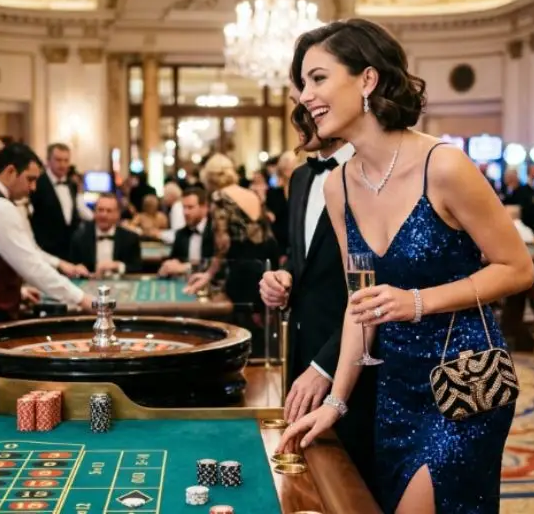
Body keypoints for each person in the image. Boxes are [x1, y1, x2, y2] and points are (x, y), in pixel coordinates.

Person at [276, 19, 534, 514]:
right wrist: (336, 400)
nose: (304, 96)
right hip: (394, 390)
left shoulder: (445, 165)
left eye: (318, 78)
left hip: (461, 383)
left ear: (367, 80)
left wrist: (417, 302)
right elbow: (361, 307)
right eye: (303, 83)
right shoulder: (338, 187)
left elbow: (517, 268)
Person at [260, 95, 376, 483]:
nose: (296, 124)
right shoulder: (301, 177)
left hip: (358, 351)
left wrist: (328, 363)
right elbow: (300, 258)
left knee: (354, 475)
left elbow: (372, 280)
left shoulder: (368, 175)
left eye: (303, 116)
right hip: (302, 348)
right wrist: (283, 279)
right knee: (309, 470)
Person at [0, 143, 94, 325]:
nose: (33, 187)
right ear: (10, 172)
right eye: (30, 179)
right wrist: (82, 299)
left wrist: (20, 292)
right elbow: (30, 264)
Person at [185, 154, 280, 357]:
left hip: (239, 271)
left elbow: (222, 244)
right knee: (257, 332)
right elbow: (267, 236)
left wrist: (208, 274)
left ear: (209, 178)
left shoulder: (220, 197)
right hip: (261, 268)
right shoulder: (251, 194)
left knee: (238, 335)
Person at [29, 143, 94, 262]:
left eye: (66, 160)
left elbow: (77, 213)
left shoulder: (72, 185)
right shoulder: (36, 184)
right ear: (48, 161)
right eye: (58, 160)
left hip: (69, 253)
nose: (63, 164)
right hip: (45, 253)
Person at [69, 193, 143, 276]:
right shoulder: (79, 237)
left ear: (118, 214)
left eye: (109, 211)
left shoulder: (130, 238)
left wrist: (117, 266)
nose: (104, 215)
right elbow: (72, 266)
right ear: (94, 212)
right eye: (100, 210)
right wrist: (76, 268)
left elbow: (137, 268)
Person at [158, 188, 214, 276]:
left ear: (204, 208)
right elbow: (174, 262)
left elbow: (218, 266)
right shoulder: (181, 234)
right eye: (184, 207)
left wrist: (186, 268)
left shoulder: (215, 232)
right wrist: (167, 267)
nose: (185, 212)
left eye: (190, 207)